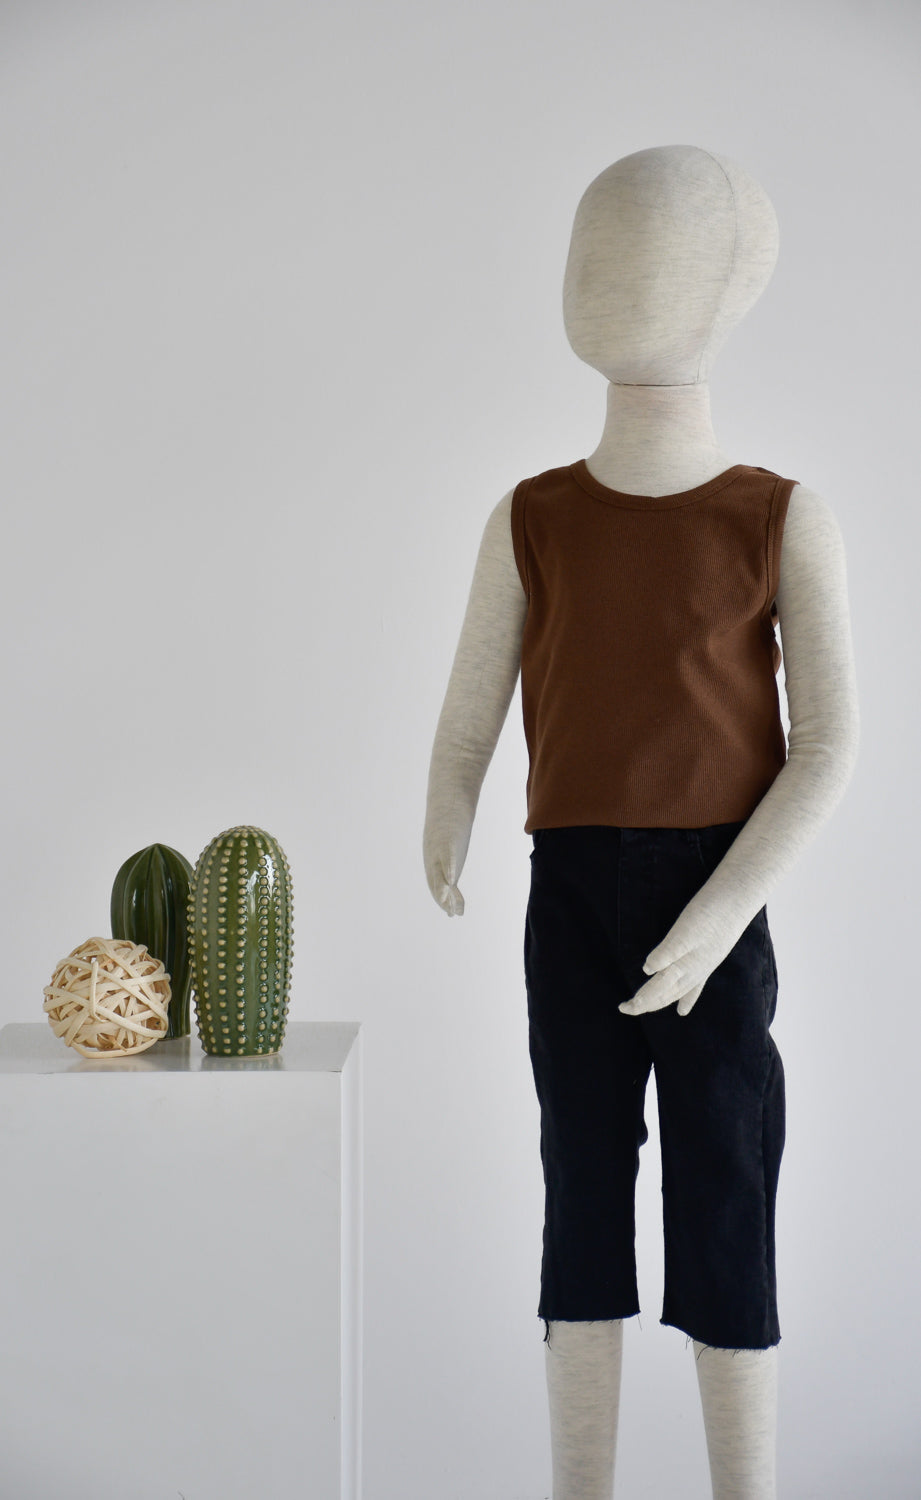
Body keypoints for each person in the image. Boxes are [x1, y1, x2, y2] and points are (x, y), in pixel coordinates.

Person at [423, 144, 859, 1499]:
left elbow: (829, 745)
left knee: (726, 1187)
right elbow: (471, 712)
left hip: (716, 890)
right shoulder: (533, 516)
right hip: (569, 894)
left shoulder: (777, 515)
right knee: (581, 1189)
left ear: (730, 281)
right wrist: (446, 805)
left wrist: (722, 912)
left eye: (640, 249)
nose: (597, 278)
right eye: (590, 246)